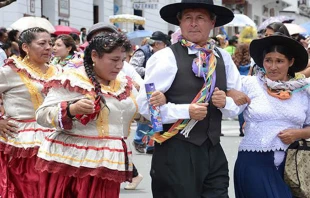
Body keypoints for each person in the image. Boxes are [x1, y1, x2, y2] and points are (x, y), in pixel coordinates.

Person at [137, 0, 242, 197]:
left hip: (213, 149)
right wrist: (186, 110)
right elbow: (146, 108)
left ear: (213, 23)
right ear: (180, 23)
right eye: (188, 18)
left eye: (200, 18)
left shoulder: (222, 57)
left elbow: (238, 101)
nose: (193, 23)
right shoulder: (165, 57)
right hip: (176, 151)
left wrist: (225, 103)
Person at [35, 32, 135, 198]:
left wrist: (155, 103)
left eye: (123, 60)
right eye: (114, 60)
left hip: (108, 163)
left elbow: (136, 111)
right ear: (94, 56)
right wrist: (70, 110)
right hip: (72, 163)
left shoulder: (123, 82)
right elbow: (42, 115)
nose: (119, 66)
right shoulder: (73, 79)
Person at [233, 33, 310, 198]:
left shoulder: (304, 91)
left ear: (291, 62)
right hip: (254, 161)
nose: (273, 66)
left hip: (293, 166)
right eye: (268, 60)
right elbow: (229, 106)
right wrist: (228, 94)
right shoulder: (249, 84)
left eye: (280, 61)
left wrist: (299, 134)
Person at [0, 27, 61, 198]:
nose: (49, 47)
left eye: (50, 43)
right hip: (23, 141)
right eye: (42, 43)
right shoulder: (10, 71)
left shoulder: (58, 72)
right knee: (29, 189)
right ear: (26, 47)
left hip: (55, 139)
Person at [232, 43, 252, 137]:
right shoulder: (250, 63)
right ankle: (247, 126)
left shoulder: (235, 62)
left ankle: (241, 128)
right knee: (248, 108)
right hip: (249, 86)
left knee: (240, 108)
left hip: (238, 87)